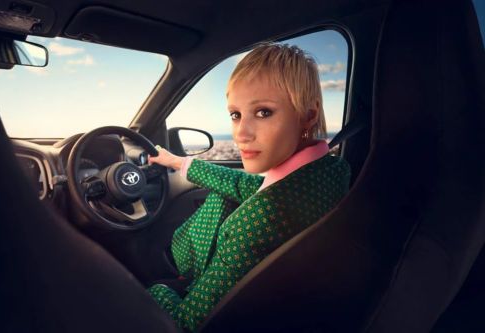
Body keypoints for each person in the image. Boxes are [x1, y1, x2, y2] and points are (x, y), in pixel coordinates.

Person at [147, 43, 351, 331]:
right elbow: (250, 185)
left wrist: (155, 292)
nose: (241, 133)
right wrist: (180, 163)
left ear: (308, 116)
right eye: (236, 114)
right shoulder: (330, 170)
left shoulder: (256, 223)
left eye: (264, 112)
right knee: (224, 192)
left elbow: (186, 324)